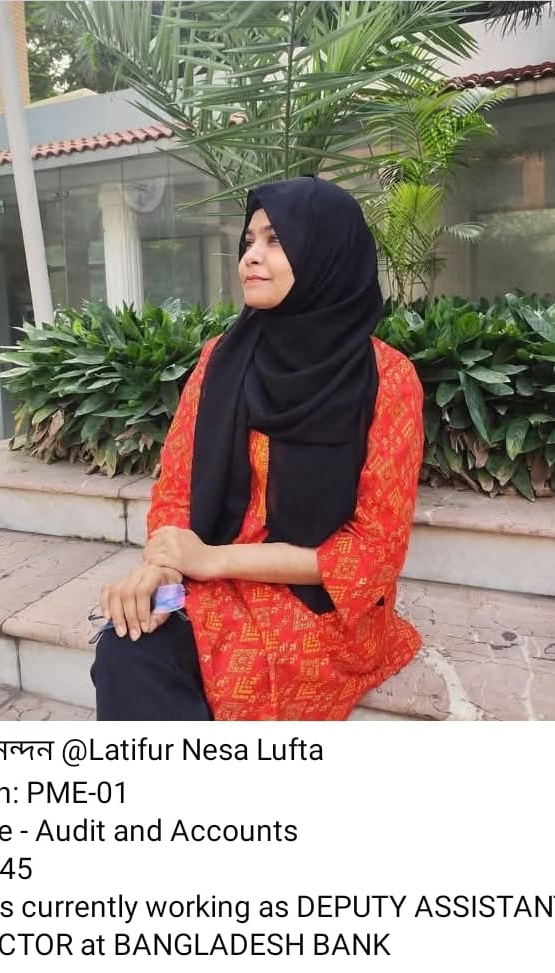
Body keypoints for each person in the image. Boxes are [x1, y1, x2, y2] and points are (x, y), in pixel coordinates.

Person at [91, 175, 424, 721]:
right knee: (127, 646)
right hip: (210, 586)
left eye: (276, 240)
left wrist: (213, 559)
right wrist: (163, 568)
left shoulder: (387, 379)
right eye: (249, 241)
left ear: (326, 255)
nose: (250, 256)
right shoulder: (220, 359)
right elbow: (176, 490)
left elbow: (372, 553)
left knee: (244, 679)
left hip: (317, 608)